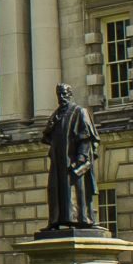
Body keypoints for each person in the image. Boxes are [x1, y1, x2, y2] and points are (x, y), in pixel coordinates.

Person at [42, 83, 100, 230]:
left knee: (75, 191)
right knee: (56, 189)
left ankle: (80, 219)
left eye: (64, 94)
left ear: (70, 94)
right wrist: (50, 127)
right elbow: (47, 137)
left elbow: (86, 136)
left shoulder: (79, 111)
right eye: (59, 94)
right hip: (58, 161)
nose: (61, 97)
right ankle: (56, 220)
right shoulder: (56, 115)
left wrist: (81, 157)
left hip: (73, 161)